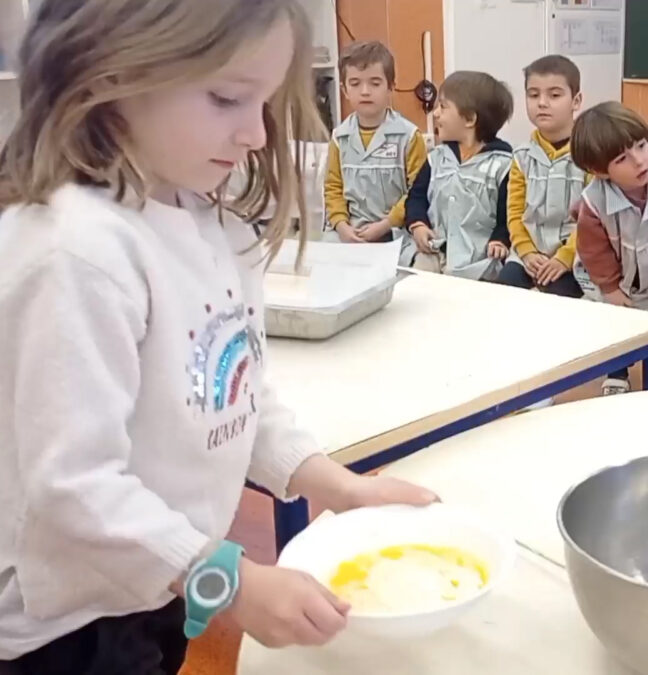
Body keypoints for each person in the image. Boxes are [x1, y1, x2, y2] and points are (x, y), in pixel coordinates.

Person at [0, 2, 436, 672]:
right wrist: (228, 579)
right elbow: (72, 490)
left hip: (159, 577)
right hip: (62, 627)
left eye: (262, 103)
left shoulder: (200, 212)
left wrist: (335, 485)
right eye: (228, 98)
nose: (257, 135)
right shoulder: (74, 250)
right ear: (109, 71)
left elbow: (232, 389)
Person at [572, 102, 648, 395]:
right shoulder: (592, 203)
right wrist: (612, 290)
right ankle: (616, 373)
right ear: (599, 171)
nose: (640, 161)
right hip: (617, 282)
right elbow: (594, 253)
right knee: (615, 322)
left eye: (641, 146)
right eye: (622, 159)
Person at [323, 40, 426, 266]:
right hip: (349, 233)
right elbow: (333, 189)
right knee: (323, 265)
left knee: (419, 266)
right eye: (355, 83)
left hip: (396, 232)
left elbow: (418, 191)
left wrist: (385, 224)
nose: (365, 91)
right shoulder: (339, 138)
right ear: (344, 90)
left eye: (375, 83)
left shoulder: (409, 136)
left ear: (391, 87)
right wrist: (341, 226)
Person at [404, 71, 514, 280]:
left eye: (443, 107)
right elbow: (416, 197)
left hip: (478, 260)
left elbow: (509, 215)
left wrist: (500, 240)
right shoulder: (436, 158)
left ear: (470, 119)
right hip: (434, 251)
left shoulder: (503, 165)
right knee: (417, 284)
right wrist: (418, 224)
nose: (435, 114)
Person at [497, 55, 586, 298]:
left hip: (575, 258)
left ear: (576, 101)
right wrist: (526, 252)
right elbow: (514, 214)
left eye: (555, 95)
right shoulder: (521, 156)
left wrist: (564, 259)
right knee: (502, 295)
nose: (542, 103)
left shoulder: (589, 155)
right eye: (533, 95)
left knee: (556, 302)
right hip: (528, 255)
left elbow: (593, 220)